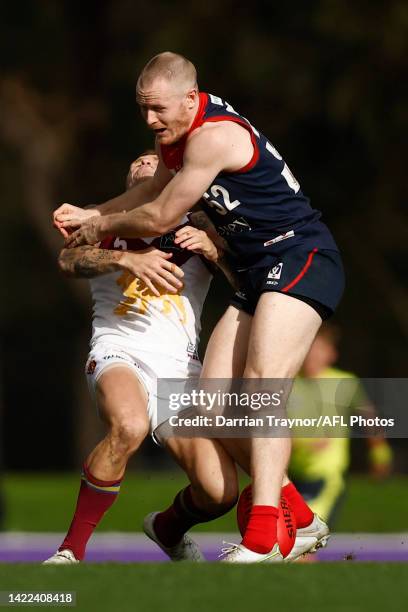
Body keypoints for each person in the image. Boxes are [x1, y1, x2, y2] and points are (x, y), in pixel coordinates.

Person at [53, 52, 345, 562]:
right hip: (244, 279)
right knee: (215, 399)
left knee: (260, 385)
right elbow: (146, 200)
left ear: (191, 99)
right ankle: (297, 517)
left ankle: (265, 534)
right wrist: (95, 216)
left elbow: (162, 208)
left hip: (297, 252)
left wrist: (100, 222)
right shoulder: (176, 144)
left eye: (158, 109)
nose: (150, 123)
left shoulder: (210, 140)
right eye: (143, 111)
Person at [44, 152, 240, 564]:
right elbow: (67, 259)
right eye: (138, 161)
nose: (147, 162)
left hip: (180, 369)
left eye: (156, 159)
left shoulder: (200, 225)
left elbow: (251, 284)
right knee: (128, 425)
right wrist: (125, 258)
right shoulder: (103, 224)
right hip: (120, 349)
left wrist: (216, 252)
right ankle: (69, 553)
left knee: (219, 493)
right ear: (129, 179)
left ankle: (167, 529)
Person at [287, 324, 393, 528]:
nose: (311, 355)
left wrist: (380, 452)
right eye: (307, 348)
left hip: (328, 476)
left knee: (303, 541)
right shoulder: (289, 384)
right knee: (286, 544)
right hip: (291, 477)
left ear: (331, 353)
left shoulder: (344, 382)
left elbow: (369, 418)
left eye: (318, 349)